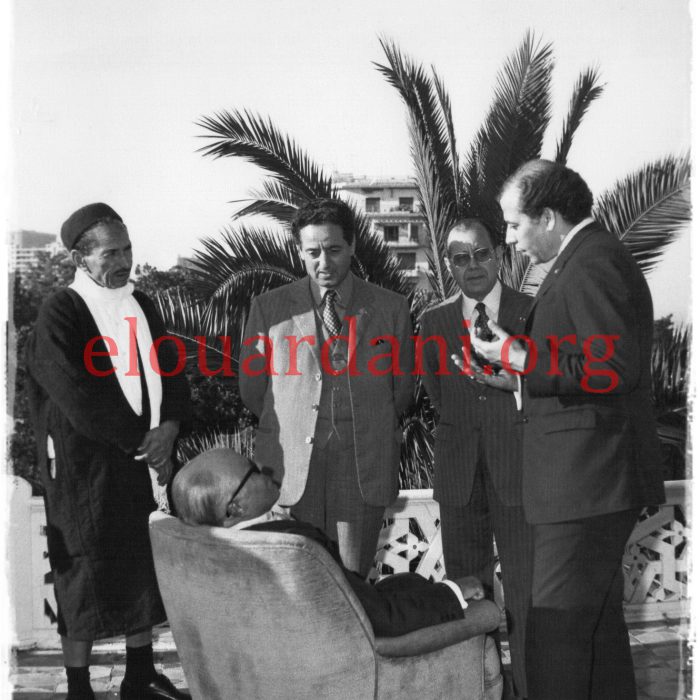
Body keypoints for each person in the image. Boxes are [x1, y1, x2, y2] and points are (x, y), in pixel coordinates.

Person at [471, 160, 665, 700]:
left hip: (585, 486)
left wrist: (516, 351)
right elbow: (585, 369)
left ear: (549, 217)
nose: (510, 240)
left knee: (554, 638)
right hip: (587, 483)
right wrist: (515, 375)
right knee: (598, 639)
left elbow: (611, 368)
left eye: (514, 225)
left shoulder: (592, 263)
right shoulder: (585, 259)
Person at [26, 203, 191, 700]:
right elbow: (77, 396)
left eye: (128, 249)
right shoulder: (62, 311)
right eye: (110, 253)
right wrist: (144, 440)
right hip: (86, 473)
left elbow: (172, 371)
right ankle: (79, 687)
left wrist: (171, 427)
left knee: (142, 569)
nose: (123, 261)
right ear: (82, 259)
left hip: (142, 462)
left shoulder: (143, 304)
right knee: (84, 576)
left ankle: (139, 677)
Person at [239, 198, 413, 577]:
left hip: (360, 468)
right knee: (296, 585)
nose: (324, 262)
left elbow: (402, 392)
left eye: (334, 250)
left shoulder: (391, 309)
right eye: (313, 251)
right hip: (291, 471)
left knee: (352, 588)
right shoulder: (269, 309)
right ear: (300, 252)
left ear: (352, 246)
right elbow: (253, 390)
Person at [171, 448, 502, 639]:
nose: (264, 468)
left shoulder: (219, 551)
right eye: (252, 471)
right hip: (357, 654)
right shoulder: (292, 548)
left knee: (409, 581)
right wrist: (455, 592)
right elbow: (379, 620)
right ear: (235, 509)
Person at [420, 218, 533, 699]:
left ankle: (530, 688)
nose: (472, 267)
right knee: (468, 592)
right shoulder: (434, 322)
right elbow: (435, 390)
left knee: (527, 595)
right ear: (448, 264)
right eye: (460, 258)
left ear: (499, 255)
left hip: (521, 472)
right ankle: (483, 688)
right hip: (458, 473)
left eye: (481, 254)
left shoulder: (532, 310)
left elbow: (544, 383)